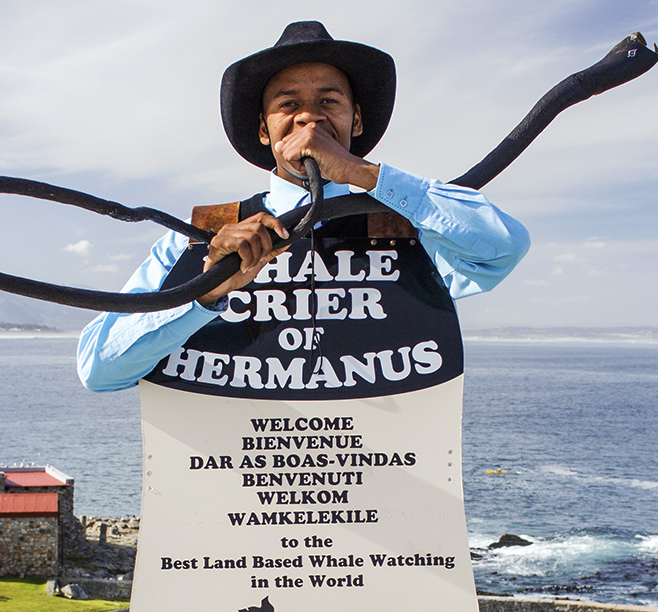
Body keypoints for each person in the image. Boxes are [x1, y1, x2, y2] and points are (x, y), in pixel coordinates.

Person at [77, 21, 530, 393]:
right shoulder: (202, 236)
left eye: (328, 102)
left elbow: (501, 247)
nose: (309, 117)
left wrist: (365, 174)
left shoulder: (407, 229)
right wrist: (207, 290)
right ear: (263, 129)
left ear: (354, 120)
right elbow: (99, 370)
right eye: (288, 104)